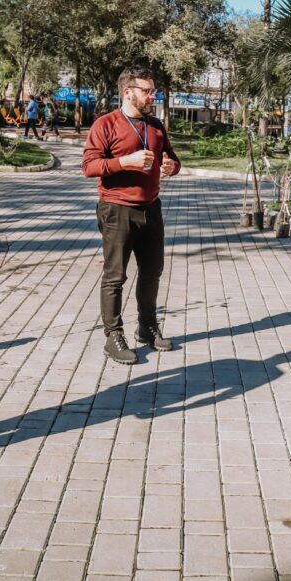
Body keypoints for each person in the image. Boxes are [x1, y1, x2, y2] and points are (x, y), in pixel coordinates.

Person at [82, 67, 181, 364]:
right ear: (128, 92)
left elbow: (173, 159)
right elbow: (89, 167)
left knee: (153, 272)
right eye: (147, 91)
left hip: (151, 208)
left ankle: (147, 327)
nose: (153, 96)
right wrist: (126, 161)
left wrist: (171, 167)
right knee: (115, 276)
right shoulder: (106, 124)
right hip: (116, 209)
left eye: (153, 91)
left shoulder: (155, 125)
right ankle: (113, 336)